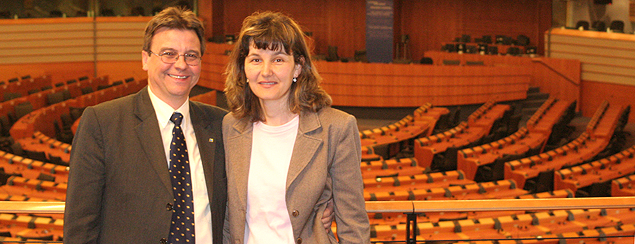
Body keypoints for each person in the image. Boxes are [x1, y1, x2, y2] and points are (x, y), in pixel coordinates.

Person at [64, 7, 227, 243]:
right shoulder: (102, 124)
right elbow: (80, 226)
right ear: (145, 59)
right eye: (168, 54)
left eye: (191, 55)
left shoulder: (221, 124)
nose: (181, 64)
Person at [222, 11, 370, 244]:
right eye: (256, 59)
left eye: (278, 59)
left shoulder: (337, 128)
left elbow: (353, 224)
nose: (266, 71)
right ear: (244, 67)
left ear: (298, 67)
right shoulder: (230, 126)